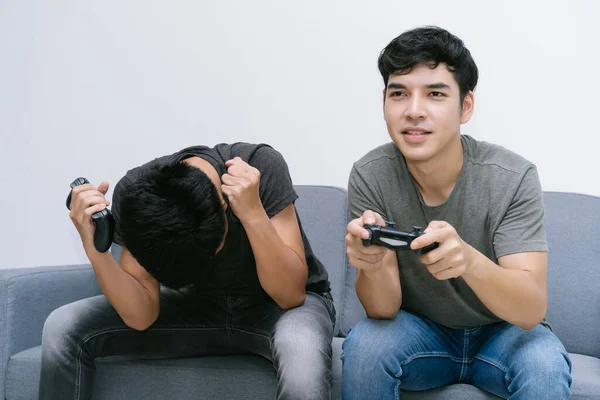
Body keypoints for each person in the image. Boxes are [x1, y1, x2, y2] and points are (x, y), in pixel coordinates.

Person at [341, 26, 571, 399]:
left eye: (435, 94)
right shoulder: (371, 174)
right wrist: (371, 263)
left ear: (465, 107)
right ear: (384, 102)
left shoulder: (512, 177)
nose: (414, 111)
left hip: (503, 333)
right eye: (399, 94)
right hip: (421, 335)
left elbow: (530, 310)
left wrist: (469, 261)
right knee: (367, 343)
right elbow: (382, 309)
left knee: (543, 361)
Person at [40, 142, 335, 400]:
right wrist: (96, 250)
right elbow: (142, 316)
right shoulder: (137, 196)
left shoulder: (259, 165)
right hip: (197, 307)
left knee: (300, 348)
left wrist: (253, 213)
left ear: (222, 204)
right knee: (62, 326)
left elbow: (290, 295)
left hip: (278, 308)